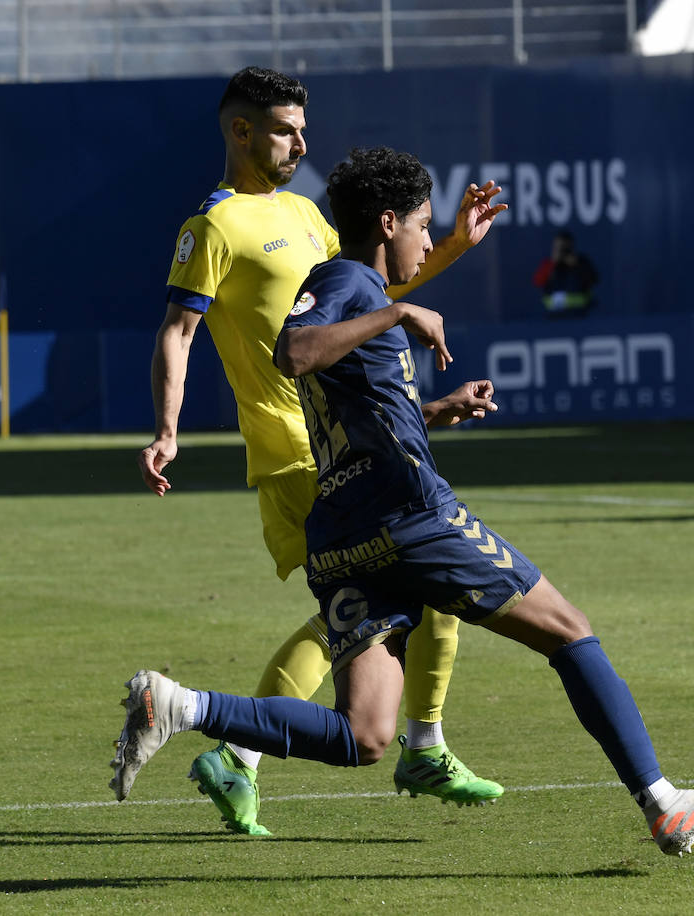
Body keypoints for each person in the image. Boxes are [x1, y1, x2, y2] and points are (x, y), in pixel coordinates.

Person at [111, 146, 694, 857]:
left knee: (362, 736)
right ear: (387, 223)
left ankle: (178, 705)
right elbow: (293, 352)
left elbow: (352, 400)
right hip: (410, 518)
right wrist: (399, 314)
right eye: (420, 224)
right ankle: (662, 803)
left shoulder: (352, 288)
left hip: (345, 534)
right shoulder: (350, 284)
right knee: (569, 631)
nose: (425, 237)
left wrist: (437, 407)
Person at [128, 67, 510, 834]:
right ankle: (410, 747)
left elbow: (368, 294)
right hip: (295, 456)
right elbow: (178, 331)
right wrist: (167, 428)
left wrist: (453, 251)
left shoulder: (307, 213)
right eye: (283, 128)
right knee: (401, 598)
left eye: (303, 126)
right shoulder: (214, 225)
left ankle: (251, 756)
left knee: (398, 603)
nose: (301, 140)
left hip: (347, 439)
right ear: (240, 132)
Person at [532, 230, 598, 315]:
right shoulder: (549, 263)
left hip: (579, 313)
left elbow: (593, 279)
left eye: (565, 247)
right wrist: (552, 264)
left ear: (572, 245)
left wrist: (576, 266)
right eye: (559, 247)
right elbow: (537, 282)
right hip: (553, 314)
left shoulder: (581, 262)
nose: (563, 250)